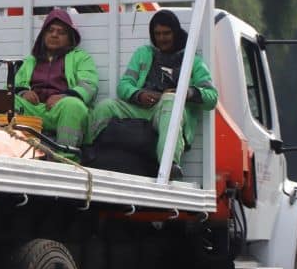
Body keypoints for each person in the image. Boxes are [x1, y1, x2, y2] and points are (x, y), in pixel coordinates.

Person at [85, 9, 217, 171]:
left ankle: (169, 166)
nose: (161, 38)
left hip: (168, 110)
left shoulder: (193, 60)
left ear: (175, 32)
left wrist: (185, 92)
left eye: (167, 33)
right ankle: (89, 154)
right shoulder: (144, 53)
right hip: (142, 109)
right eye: (157, 34)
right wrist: (140, 95)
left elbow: (212, 97)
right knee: (105, 106)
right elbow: (124, 85)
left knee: (170, 100)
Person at [13, 8, 99, 159]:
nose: (54, 34)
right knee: (3, 101)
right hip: (34, 109)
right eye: (50, 30)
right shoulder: (31, 60)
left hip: (60, 110)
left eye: (61, 32)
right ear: (43, 35)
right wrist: (23, 93)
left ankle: (66, 160)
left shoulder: (81, 58)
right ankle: (8, 153)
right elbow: (14, 83)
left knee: (74, 106)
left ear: (70, 37)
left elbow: (89, 85)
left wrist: (64, 96)